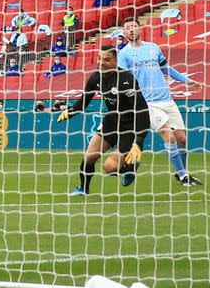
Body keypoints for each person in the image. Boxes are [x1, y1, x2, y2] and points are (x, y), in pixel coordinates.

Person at [118, 17, 203, 186]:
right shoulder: (124, 54)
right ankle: (184, 176)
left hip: (167, 99)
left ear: (140, 28)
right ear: (124, 32)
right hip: (147, 103)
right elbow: (122, 79)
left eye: (134, 26)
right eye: (128, 28)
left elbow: (166, 68)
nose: (131, 30)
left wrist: (186, 81)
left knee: (182, 139)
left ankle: (182, 174)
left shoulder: (153, 48)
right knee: (169, 137)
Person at [58, 45, 150, 195]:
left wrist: (138, 141)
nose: (101, 62)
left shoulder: (126, 79)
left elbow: (142, 110)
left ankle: (130, 168)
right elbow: (84, 100)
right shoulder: (96, 77)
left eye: (106, 60)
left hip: (130, 126)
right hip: (111, 121)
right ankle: (83, 189)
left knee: (109, 168)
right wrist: (71, 111)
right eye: (100, 58)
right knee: (89, 157)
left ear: (115, 61)